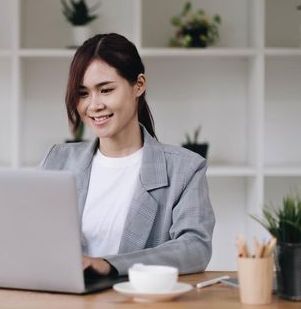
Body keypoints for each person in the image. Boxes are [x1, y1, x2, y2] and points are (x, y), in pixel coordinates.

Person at [39, 33, 215, 276]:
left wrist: (110, 265)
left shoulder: (184, 169)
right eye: (83, 93)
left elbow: (195, 249)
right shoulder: (58, 160)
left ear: (139, 85)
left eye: (106, 90)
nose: (94, 105)